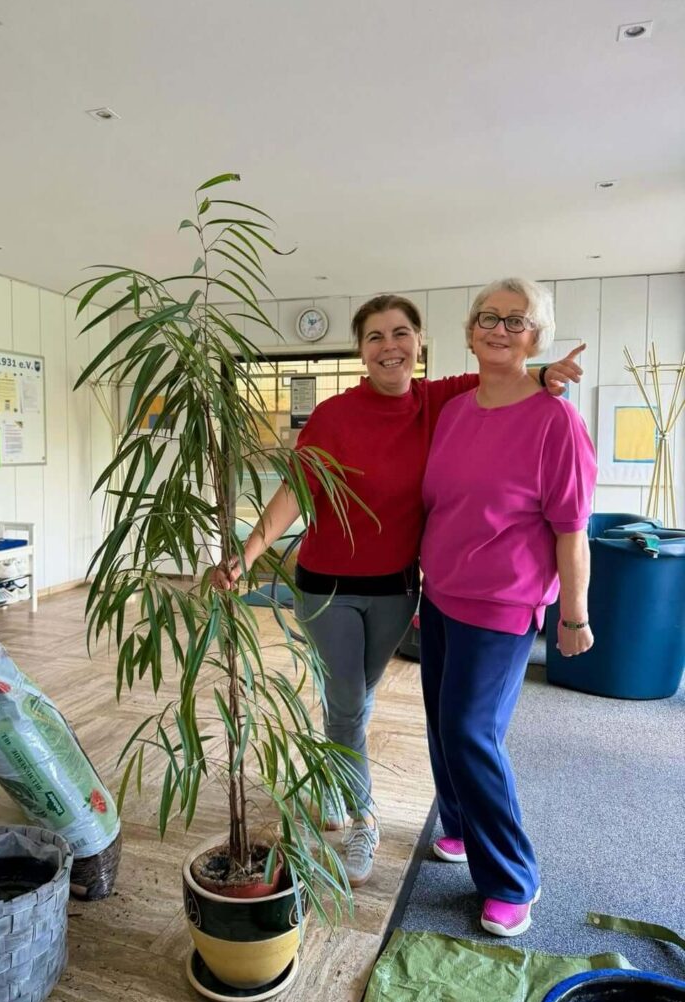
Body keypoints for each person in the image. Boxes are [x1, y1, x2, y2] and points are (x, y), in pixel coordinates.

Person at [213, 293, 583, 888]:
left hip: (398, 591)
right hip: (327, 587)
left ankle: (336, 783)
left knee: (356, 699)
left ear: (418, 344)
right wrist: (247, 554)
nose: (391, 346)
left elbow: (496, 371)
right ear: (361, 351)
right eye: (376, 337)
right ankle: (363, 817)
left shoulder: (438, 402)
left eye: (402, 333)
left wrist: (542, 371)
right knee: (348, 702)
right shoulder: (333, 414)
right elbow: (294, 492)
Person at [418, 278, 597, 937]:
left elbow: (572, 530)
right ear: (469, 332)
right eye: (487, 318)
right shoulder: (457, 409)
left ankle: (513, 877)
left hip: (502, 603)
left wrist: (573, 615)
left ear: (536, 336)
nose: (499, 328)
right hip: (440, 594)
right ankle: (461, 827)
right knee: (441, 725)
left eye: (516, 320)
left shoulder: (557, 421)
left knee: (470, 732)